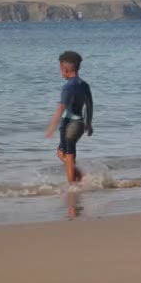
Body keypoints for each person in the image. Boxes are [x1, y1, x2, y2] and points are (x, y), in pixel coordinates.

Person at [45, 51, 93, 184]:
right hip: (80, 123)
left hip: (70, 124)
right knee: (62, 153)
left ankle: (73, 185)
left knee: (69, 156)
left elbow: (61, 107)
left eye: (60, 69)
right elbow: (89, 105)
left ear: (64, 68)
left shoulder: (68, 87)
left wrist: (52, 127)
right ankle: (79, 178)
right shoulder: (84, 85)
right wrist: (89, 123)